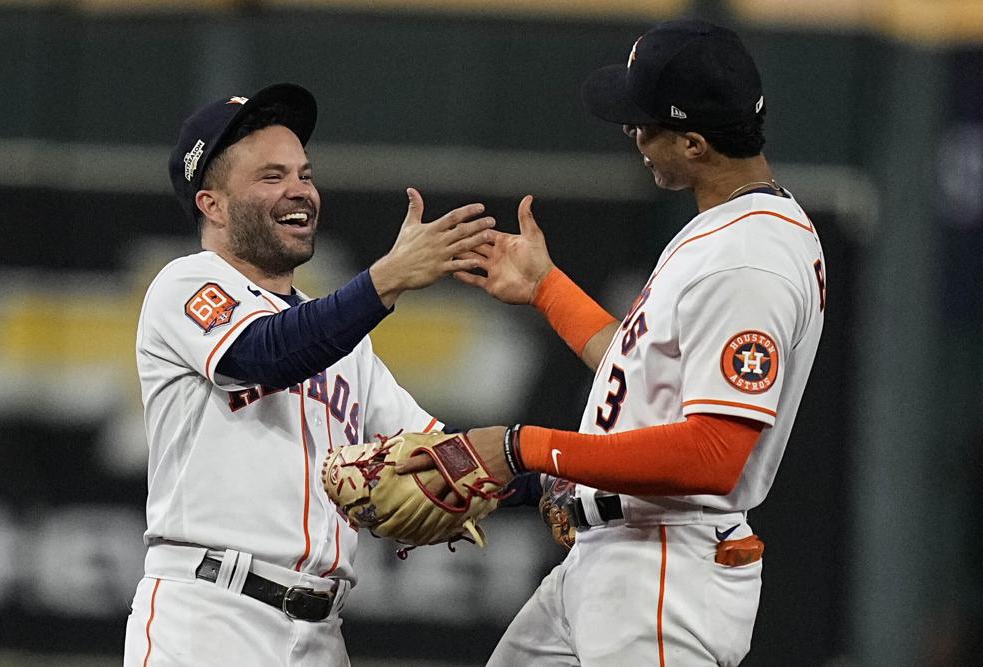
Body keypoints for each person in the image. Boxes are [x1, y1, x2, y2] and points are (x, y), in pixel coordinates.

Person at [399, 18, 827, 666]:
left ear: (693, 143)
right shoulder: (734, 224)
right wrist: (547, 289)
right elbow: (640, 369)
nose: (632, 134)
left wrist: (523, 448)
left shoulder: (749, 259)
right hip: (616, 560)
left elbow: (715, 452)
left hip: (663, 573)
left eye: (644, 122)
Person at [123, 83, 495, 666]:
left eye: (304, 173)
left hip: (322, 634)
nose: (300, 191)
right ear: (212, 204)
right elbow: (265, 354)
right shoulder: (184, 284)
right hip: (209, 619)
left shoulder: (348, 345)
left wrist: (557, 474)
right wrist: (388, 279)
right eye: (271, 177)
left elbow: (447, 455)